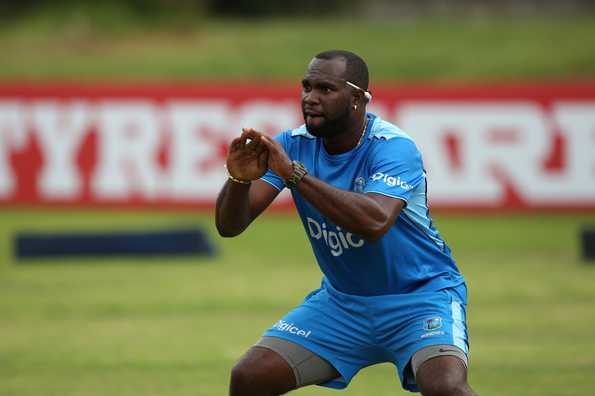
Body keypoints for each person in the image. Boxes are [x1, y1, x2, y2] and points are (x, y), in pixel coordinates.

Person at [215, 49, 476, 396]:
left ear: (357, 98)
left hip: (420, 298)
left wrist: (294, 175)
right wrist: (238, 181)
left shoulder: (393, 148)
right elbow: (230, 226)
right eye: (307, 87)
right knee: (249, 378)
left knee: (446, 388)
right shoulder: (292, 145)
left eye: (326, 89)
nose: (310, 98)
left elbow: (374, 220)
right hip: (343, 305)